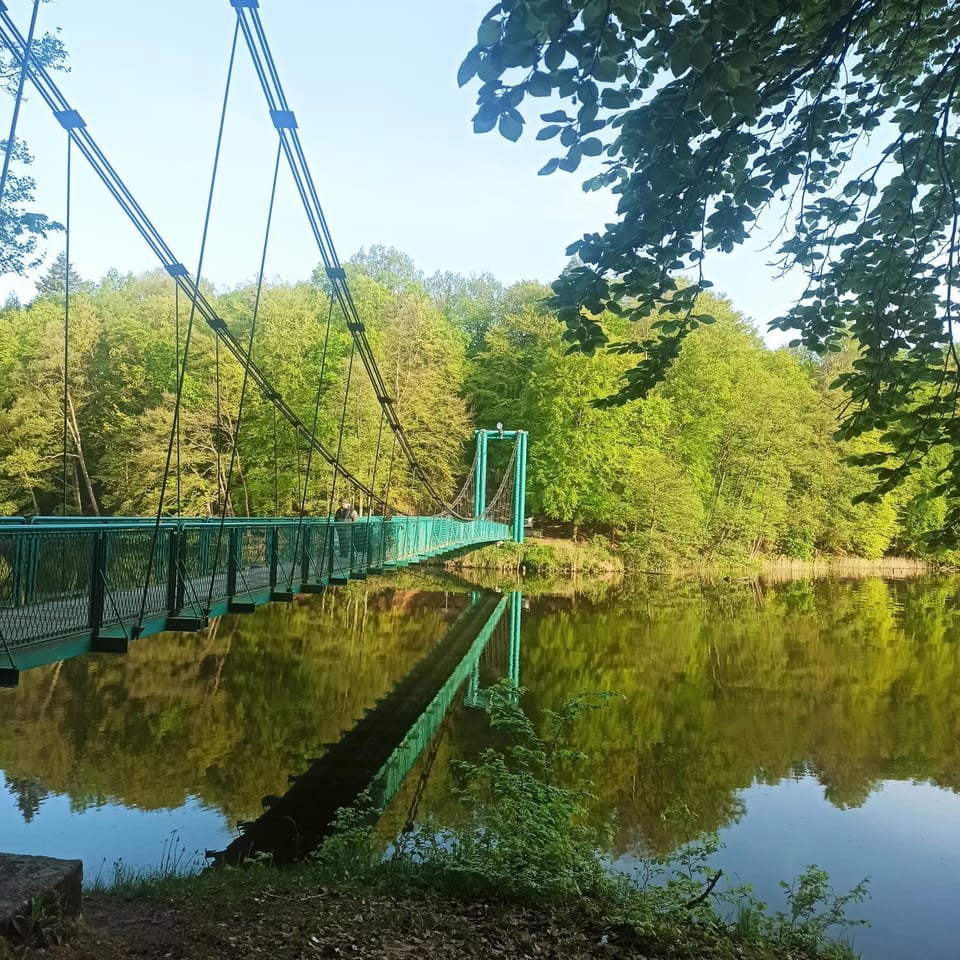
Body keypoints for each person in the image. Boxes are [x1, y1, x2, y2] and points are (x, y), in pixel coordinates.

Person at [334, 498, 358, 565]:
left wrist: (353, 527)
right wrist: (337, 526)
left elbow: (355, 520)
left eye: (343, 504)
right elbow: (335, 519)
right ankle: (342, 553)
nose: (342, 505)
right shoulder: (338, 511)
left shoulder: (352, 511)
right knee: (341, 541)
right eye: (342, 504)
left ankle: (346, 554)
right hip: (340, 529)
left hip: (348, 529)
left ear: (347, 504)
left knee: (346, 541)